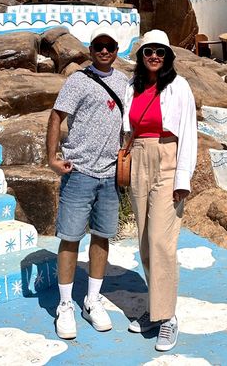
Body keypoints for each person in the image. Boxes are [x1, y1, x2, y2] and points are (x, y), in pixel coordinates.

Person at [46, 22, 129, 340]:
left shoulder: (123, 82)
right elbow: (56, 116)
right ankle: (65, 304)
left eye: (110, 46)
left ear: (116, 51)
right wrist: (52, 158)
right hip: (79, 172)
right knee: (70, 238)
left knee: (102, 237)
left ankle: (92, 299)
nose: (105, 51)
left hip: (110, 174)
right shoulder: (78, 80)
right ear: (91, 51)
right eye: (99, 47)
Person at [124, 30, 197, 353]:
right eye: (149, 51)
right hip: (138, 156)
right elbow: (126, 129)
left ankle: (167, 317)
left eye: (160, 52)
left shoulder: (179, 87)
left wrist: (183, 178)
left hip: (167, 157)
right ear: (141, 55)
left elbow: (188, 133)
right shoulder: (131, 86)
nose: (154, 56)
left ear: (168, 56)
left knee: (161, 240)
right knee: (143, 239)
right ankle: (156, 308)